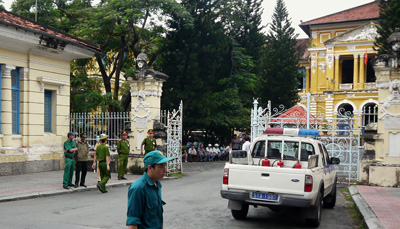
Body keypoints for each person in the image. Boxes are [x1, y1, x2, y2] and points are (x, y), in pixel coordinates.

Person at [127, 151, 174, 228]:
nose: (165, 170)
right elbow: (133, 222)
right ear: (150, 168)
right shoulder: (138, 189)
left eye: (165, 166)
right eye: (161, 167)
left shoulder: (157, 185)